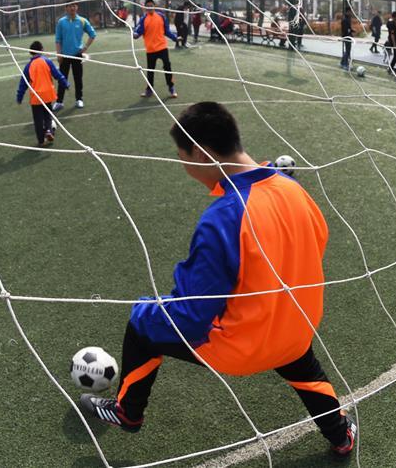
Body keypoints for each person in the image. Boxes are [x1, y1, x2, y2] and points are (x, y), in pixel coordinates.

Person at [78, 102, 357, 456]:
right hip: (298, 326)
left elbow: (191, 317)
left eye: (182, 155)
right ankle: (340, 435)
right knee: (306, 372)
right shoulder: (292, 189)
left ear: (201, 152)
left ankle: (127, 412)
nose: (182, 164)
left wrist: (153, 309)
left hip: (244, 347)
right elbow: (317, 244)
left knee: (141, 322)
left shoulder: (223, 218)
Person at [16, 41, 69, 147]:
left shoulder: (29, 66)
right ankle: (49, 130)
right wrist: (65, 83)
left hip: (36, 97)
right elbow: (57, 74)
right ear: (41, 50)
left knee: (38, 119)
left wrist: (19, 96)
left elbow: (23, 83)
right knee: (47, 115)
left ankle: (41, 140)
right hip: (47, 94)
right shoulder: (47, 61)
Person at [53, 0, 97, 111]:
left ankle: (79, 99)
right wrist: (59, 54)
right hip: (65, 55)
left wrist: (85, 47)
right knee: (62, 79)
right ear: (66, 8)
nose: (72, 8)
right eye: (70, 6)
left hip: (77, 55)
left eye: (74, 6)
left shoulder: (82, 21)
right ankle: (59, 101)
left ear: (77, 7)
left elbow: (92, 34)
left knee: (78, 78)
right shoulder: (61, 22)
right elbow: (58, 40)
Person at [133, 0, 179, 99]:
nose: (149, 7)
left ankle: (171, 88)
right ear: (145, 8)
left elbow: (166, 31)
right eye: (147, 6)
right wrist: (135, 35)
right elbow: (138, 32)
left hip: (162, 48)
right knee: (150, 71)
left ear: (154, 6)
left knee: (167, 68)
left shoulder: (161, 16)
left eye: (151, 5)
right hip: (150, 50)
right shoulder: (143, 19)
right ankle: (149, 90)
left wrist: (175, 38)